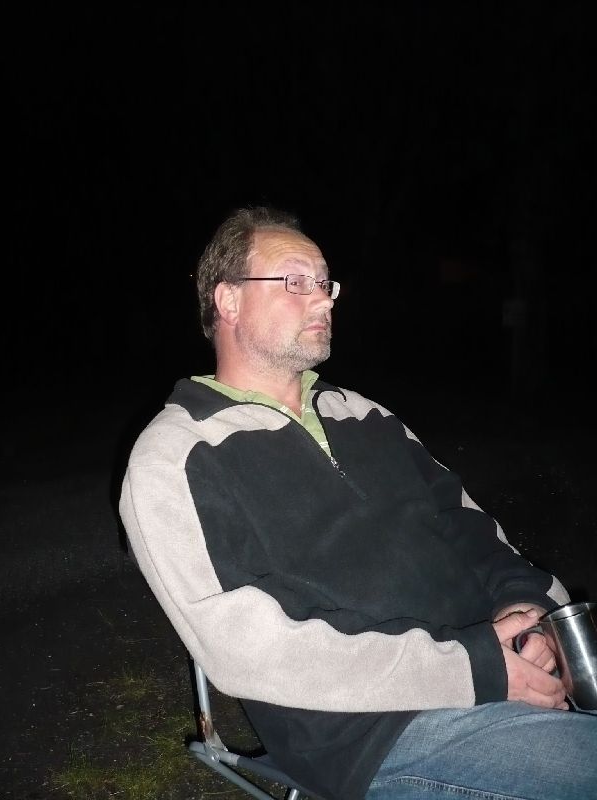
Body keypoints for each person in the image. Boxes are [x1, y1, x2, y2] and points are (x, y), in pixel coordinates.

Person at [119, 206, 597, 800]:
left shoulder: (365, 416)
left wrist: (531, 615)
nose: (323, 299)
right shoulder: (176, 454)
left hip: (503, 665)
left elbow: (472, 530)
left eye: (326, 283)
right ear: (229, 300)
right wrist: (476, 668)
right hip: (378, 733)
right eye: (296, 282)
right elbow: (247, 651)